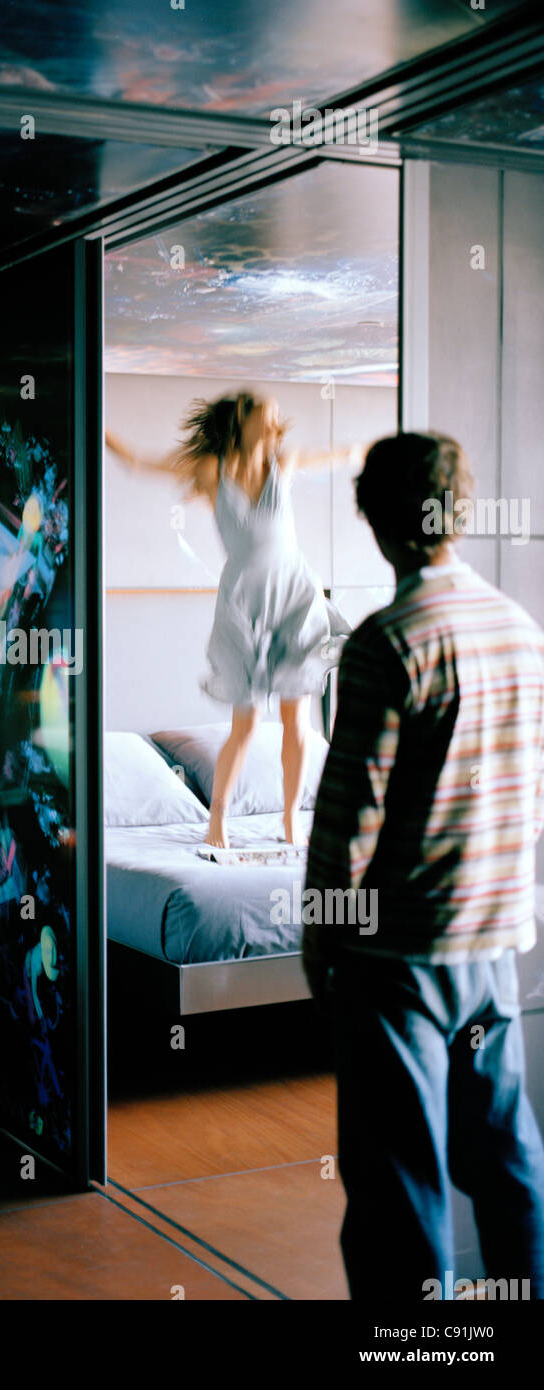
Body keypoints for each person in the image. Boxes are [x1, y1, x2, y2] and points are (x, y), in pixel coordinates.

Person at [303, 431, 544, 1301]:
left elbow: (346, 826)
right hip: (491, 950)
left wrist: (320, 942)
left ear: (375, 521)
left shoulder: (383, 643)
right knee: (506, 1164)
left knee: (399, 1189)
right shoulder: (519, 630)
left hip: (397, 961)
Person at [106, 391, 353, 847]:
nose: (277, 415)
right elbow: (141, 464)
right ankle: (216, 817)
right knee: (247, 724)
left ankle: (290, 819)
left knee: (299, 723)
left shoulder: (286, 464)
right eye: (267, 409)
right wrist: (95, 426)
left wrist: (374, 449)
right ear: (243, 418)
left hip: (295, 598)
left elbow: (342, 455)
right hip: (246, 606)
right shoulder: (212, 470)